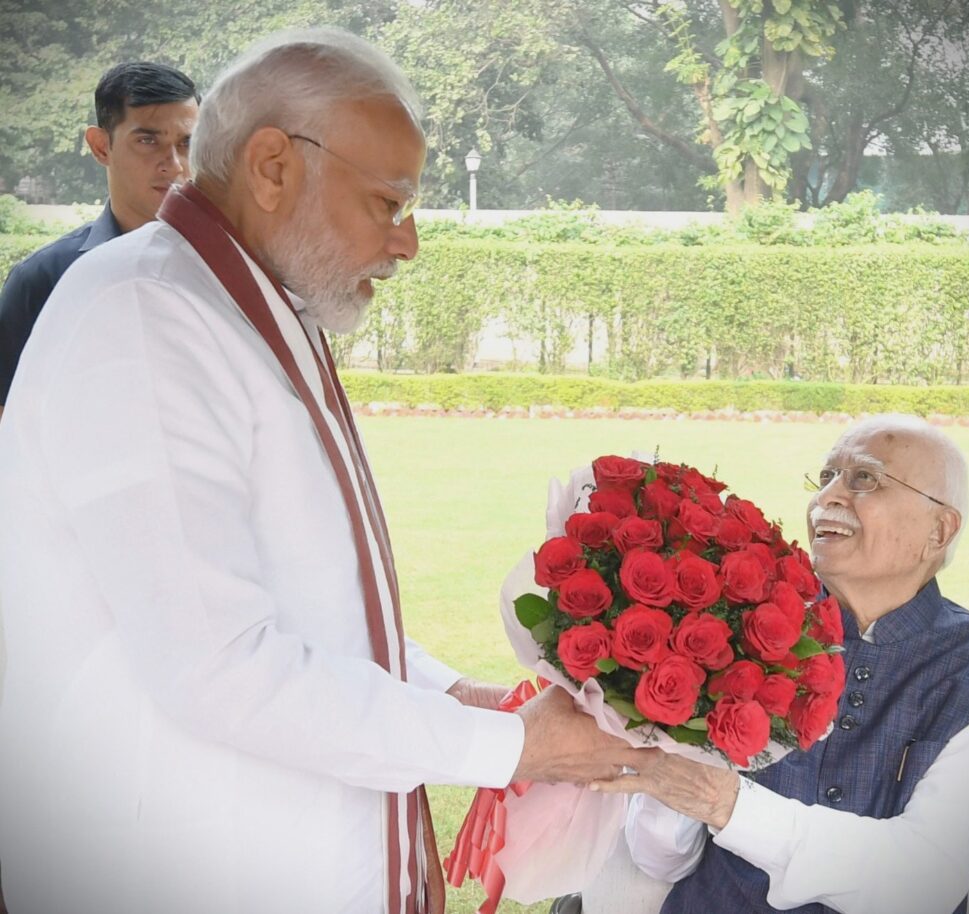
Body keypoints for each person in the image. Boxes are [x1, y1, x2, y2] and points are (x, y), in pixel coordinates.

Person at [0, 28, 647, 914]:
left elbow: (306, 600)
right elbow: (218, 666)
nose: (409, 241)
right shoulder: (146, 313)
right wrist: (507, 748)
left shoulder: (242, 300)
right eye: (389, 201)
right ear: (273, 166)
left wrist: (457, 694)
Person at [591, 414, 969, 914]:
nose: (827, 498)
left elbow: (925, 880)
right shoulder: (739, 620)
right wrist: (668, 771)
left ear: (939, 530)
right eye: (825, 478)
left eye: (865, 478)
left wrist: (728, 805)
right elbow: (661, 859)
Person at [0, 61, 200, 419]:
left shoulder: (230, 270)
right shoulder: (43, 280)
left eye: (187, 143)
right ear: (100, 146)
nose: (173, 164)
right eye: (147, 140)